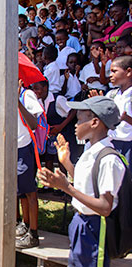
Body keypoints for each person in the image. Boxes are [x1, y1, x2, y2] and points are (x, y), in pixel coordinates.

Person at [37, 96, 124, 267]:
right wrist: (66, 162)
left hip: (96, 226)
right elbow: (87, 184)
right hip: (81, 222)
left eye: (79, 120)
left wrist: (67, 187)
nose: (75, 125)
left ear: (94, 123)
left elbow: (105, 207)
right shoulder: (91, 150)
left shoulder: (108, 159)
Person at [16, 80, 43, 249]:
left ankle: (34, 233)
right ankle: (25, 224)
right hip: (12, 147)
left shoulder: (27, 95)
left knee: (30, 192)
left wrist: (17, 101)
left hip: (25, 147)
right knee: (21, 193)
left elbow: (34, 123)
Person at [106, 56, 132, 168]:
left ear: (128, 72)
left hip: (129, 145)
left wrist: (126, 119)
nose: (110, 75)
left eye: (114, 71)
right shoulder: (112, 95)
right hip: (113, 142)